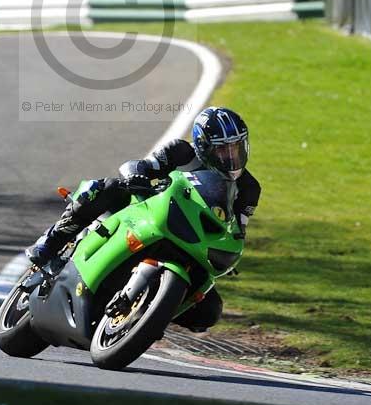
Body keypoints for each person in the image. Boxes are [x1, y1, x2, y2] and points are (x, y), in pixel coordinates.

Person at [26, 106, 261, 332]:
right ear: (202, 146)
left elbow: (238, 230)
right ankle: (52, 240)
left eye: (236, 148)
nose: (231, 157)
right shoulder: (180, 152)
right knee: (106, 187)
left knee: (210, 311)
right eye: (222, 150)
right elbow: (137, 166)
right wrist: (136, 176)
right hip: (147, 212)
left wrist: (225, 250)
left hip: (191, 236)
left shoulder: (249, 188)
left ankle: (148, 316)